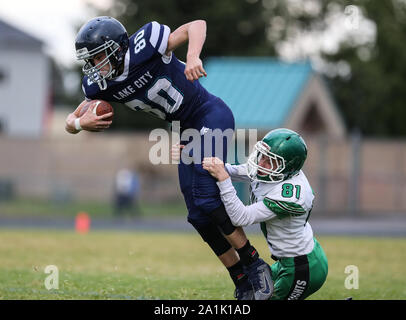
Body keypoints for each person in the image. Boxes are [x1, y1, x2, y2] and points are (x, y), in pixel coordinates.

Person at [65, 16, 272, 300]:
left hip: (209, 114)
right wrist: (79, 125)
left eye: (98, 56)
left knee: (207, 198)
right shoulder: (99, 84)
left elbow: (196, 25)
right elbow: (71, 119)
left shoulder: (144, 44)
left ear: (118, 48)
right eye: (90, 59)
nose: (94, 66)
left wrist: (193, 57)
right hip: (186, 131)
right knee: (198, 216)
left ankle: (256, 266)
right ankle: (241, 280)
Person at [202, 128, 329, 300]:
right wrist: (206, 163)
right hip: (292, 261)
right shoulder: (277, 172)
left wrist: (223, 180)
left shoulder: (291, 195)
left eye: (270, 162)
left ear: (287, 167)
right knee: (252, 289)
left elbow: (241, 217)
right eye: (262, 156)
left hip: (303, 266)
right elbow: (237, 171)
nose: (262, 164)